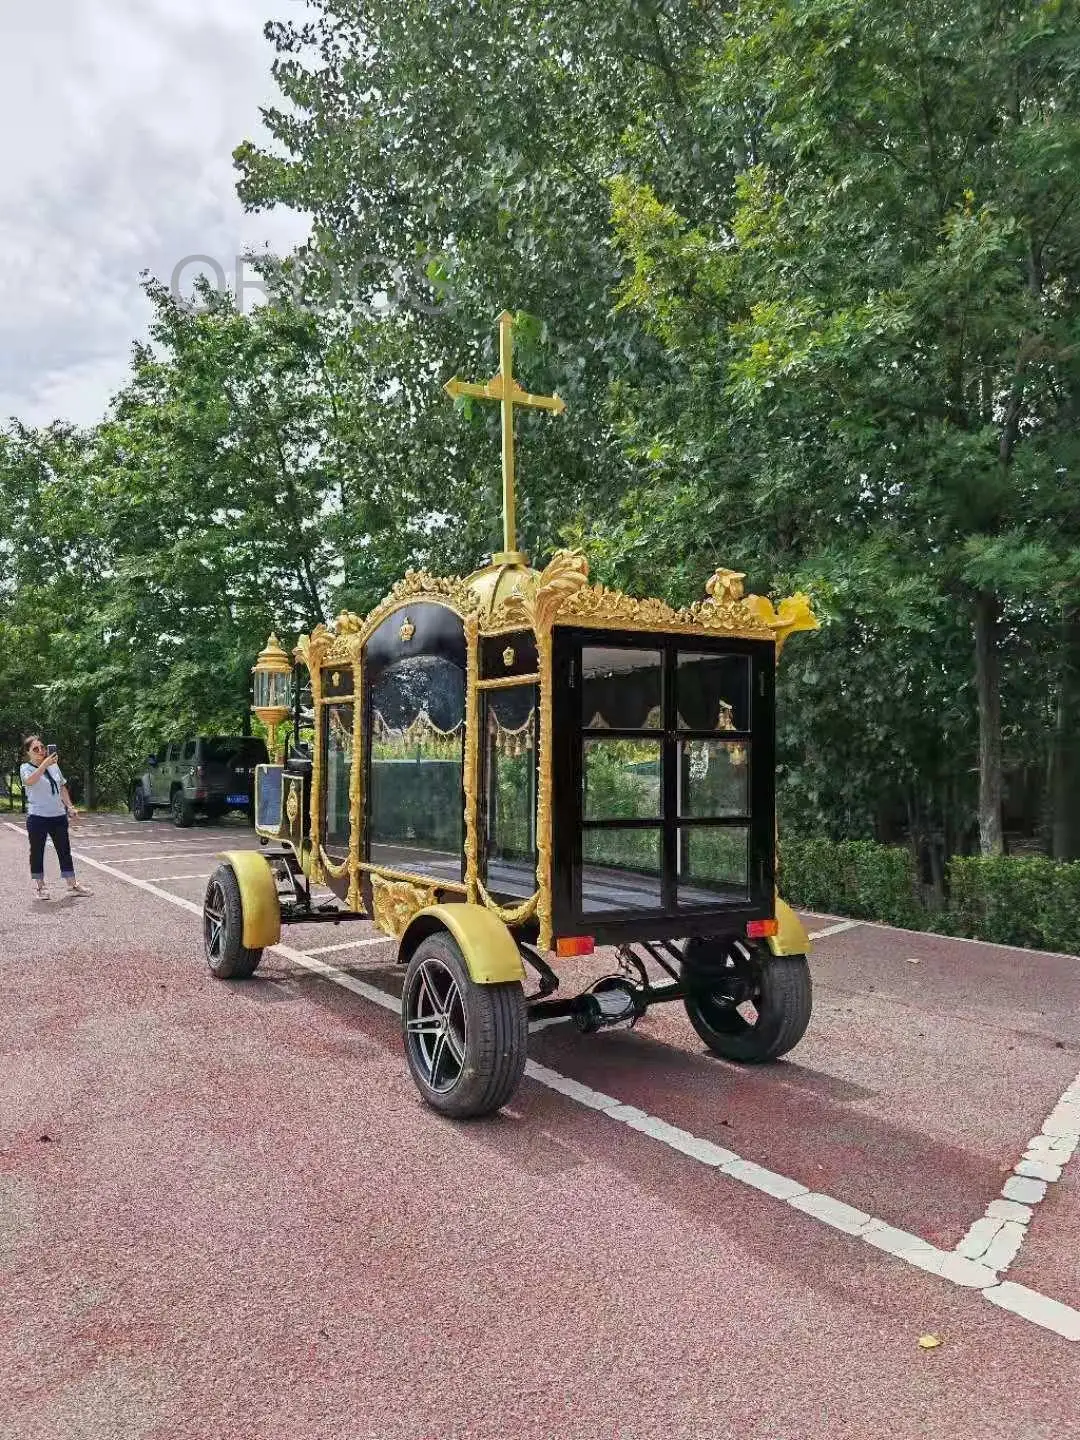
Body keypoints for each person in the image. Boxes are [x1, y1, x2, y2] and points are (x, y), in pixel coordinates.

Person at [19, 736, 92, 900]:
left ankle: (73, 885)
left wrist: (70, 807)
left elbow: (61, 787)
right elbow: (30, 781)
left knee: (64, 850)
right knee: (37, 851)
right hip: (38, 817)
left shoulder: (54, 766)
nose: (41, 751)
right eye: (35, 749)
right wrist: (45, 764)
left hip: (58, 816)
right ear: (28, 753)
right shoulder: (26, 767)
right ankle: (40, 887)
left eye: (42, 747)